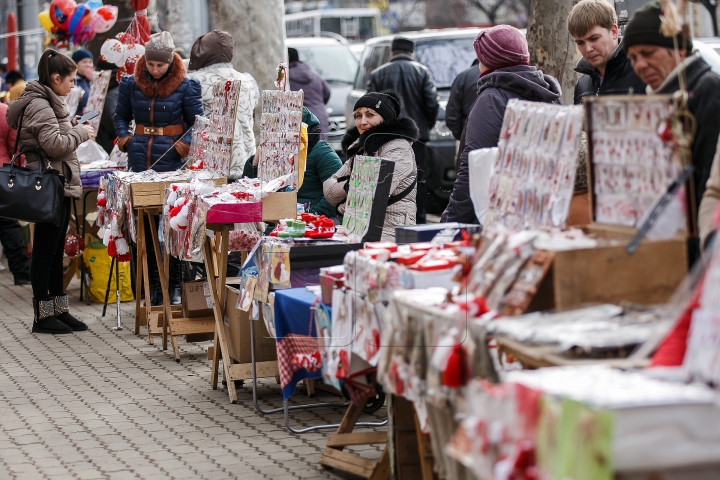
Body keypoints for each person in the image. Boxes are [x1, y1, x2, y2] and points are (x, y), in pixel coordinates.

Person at [624, 0, 720, 262]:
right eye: (633, 58)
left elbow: (708, 187)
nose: (639, 65)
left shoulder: (708, 90)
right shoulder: (658, 99)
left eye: (648, 53)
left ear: (677, 51)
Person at [6, 49, 94, 334]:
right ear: (55, 79)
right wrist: (81, 133)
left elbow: (54, 138)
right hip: (49, 183)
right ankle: (42, 316)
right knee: (46, 251)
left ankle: (58, 309)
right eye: (70, 80)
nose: (73, 86)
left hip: (59, 182)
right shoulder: (40, 104)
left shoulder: (48, 100)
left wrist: (74, 127)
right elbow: (54, 144)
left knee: (56, 251)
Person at [114, 31, 203, 305]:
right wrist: (124, 138)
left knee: (174, 224)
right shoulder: (130, 84)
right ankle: (153, 285)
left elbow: (197, 122)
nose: (154, 70)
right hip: (140, 159)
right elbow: (120, 116)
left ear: (170, 63)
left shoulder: (188, 86)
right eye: (151, 65)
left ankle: (175, 284)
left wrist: (181, 146)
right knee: (147, 226)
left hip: (172, 162)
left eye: (160, 65)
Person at [442, 25, 562, 224]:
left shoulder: (491, 100)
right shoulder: (550, 95)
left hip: (500, 222)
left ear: (488, 61)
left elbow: (472, 171)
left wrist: (449, 225)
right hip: (546, 215)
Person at [324, 91, 418, 240]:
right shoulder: (362, 147)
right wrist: (353, 184)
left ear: (386, 118)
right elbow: (328, 190)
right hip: (356, 226)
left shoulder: (398, 147)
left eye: (370, 114)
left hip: (389, 232)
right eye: (358, 116)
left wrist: (349, 185)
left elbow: (372, 194)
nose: (363, 122)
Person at [367, 37, 438, 224]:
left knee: (385, 180)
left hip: (384, 138)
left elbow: (370, 106)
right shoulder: (422, 72)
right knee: (416, 180)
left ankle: (385, 220)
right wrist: (425, 126)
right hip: (417, 137)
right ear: (411, 53)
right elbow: (432, 104)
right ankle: (417, 221)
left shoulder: (377, 74)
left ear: (392, 52)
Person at [187, 30, 260, 180]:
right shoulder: (248, 81)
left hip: (210, 166)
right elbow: (251, 117)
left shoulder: (193, 81)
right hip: (246, 162)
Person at [244, 107, 342, 218]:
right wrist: (255, 163)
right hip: (279, 220)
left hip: (312, 222)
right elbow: (250, 187)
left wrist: (311, 214)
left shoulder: (321, 152)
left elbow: (336, 192)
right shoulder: (279, 152)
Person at [569, 0, 646, 104]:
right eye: (580, 43)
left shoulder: (642, 73)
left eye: (594, 39)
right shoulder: (582, 84)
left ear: (614, 31)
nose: (588, 49)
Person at [0, 101, 31, 284]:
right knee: (8, 225)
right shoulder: (5, 111)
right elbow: (16, 148)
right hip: (2, 175)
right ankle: (21, 273)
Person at [288, 47, 331, 140]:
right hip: (320, 116)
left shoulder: (286, 77)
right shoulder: (313, 73)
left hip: (299, 119)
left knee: (302, 151)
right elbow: (327, 92)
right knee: (320, 149)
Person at [446, 59, 480, 141]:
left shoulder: (463, 76)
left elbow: (452, 115)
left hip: (469, 137)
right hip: (498, 141)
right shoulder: (505, 75)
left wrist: (462, 136)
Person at [94, 59, 119, 154]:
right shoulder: (100, 90)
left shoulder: (112, 92)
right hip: (102, 144)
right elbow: (94, 111)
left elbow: (112, 120)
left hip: (109, 144)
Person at [71, 49, 94, 116]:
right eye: (84, 62)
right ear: (75, 64)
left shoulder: (93, 80)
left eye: (90, 62)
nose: (88, 65)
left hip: (93, 119)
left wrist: (95, 81)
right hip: (79, 121)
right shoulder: (72, 82)